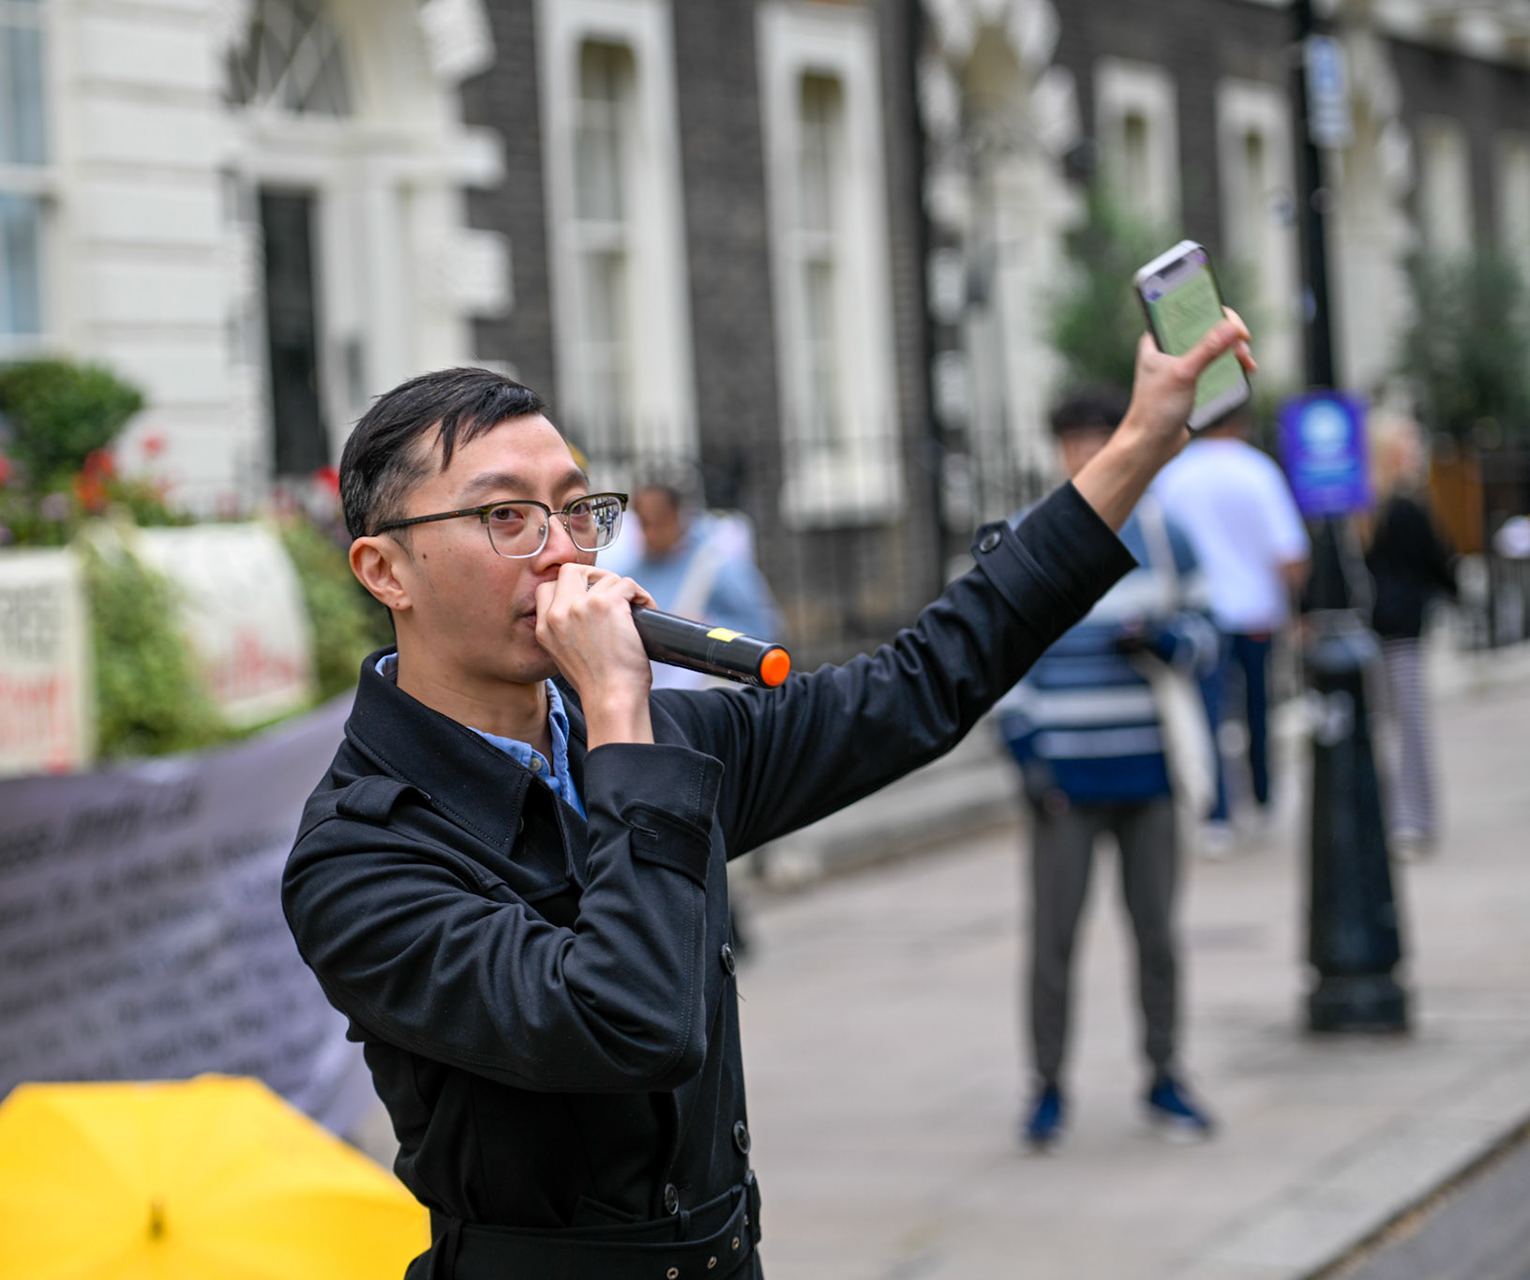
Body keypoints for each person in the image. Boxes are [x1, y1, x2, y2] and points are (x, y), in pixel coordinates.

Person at [282, 312, 1249, 1277]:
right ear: (385, 570)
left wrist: (1137, 447)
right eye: (505, 517)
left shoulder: (660, 740)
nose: (562, 551)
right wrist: (621, 711)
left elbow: (920, 684)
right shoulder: (362, 855)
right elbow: (629, 1022)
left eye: (575, 510)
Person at [996, 387, 1220, 1151]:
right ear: (1059, 450)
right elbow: (1001, 657)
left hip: (1149, 770)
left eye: (1101, 437)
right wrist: (1027, 755)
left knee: (1157, 934)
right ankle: (1047, 1088)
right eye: (1075, 441)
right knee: (1054, 942)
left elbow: (1207, 638)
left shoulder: (1165, 533)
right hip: (1064, 778)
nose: (1089, 453)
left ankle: (1164, 1075)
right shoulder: (1030, 536)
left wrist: (1164, 642)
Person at [1151, 409, 1310, 849]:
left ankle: (1217, 814)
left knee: (1210, 715)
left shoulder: (1174, 476)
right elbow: (1290, 553)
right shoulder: (1258, 471)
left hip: (1198, 611)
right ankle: (1261, 797)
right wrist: (1299, 606)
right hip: (1257, 610)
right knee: (1259, 708)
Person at [1361, 412, 1459, 858]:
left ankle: (1385, 815)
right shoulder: (1404, 506)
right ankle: (1412, 817)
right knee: (1410, 726)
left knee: (1379, 726)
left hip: (1368, 629)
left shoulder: (1359, 508)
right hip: (1401, 629)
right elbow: (1438, 562)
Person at [601, 475, 783, 689]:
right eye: (641, 523)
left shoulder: (716, 564)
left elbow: (764, 628)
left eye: (652, 523)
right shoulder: (633, 570)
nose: (645, 534)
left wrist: (707, 631)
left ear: (675, 518)